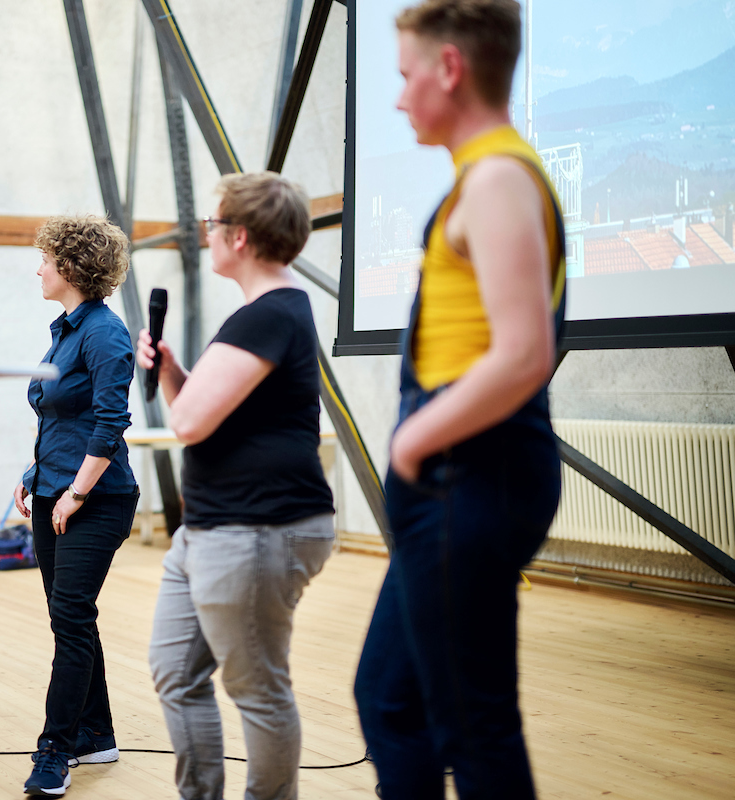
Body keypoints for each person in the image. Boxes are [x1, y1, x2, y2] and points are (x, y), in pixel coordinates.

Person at [352, 2, 567, 798]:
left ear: (449, 68)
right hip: (455, 475)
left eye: (406, 76)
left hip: (470, 473)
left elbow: (524, 354)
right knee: (391, 700)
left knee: (471, 727)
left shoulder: (500, 177)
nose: (400, 97)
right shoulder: (484, 177)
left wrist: (411, 447)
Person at [140, 171, 336, 800]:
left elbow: (191, 423)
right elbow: (212, 413)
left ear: (241, 236)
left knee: (257, 688)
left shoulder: (270, 313)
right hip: (212, 528)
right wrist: (175, 373)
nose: (207, 235)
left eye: (213, 224)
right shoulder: (264, 313)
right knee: (176, 671)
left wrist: (182, 392)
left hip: (258, 529)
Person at [12, 214, 141, 796]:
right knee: (73, 621)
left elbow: (111, 424)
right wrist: (32, 475)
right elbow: (61, 416)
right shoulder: (65, 329)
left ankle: (55, 749)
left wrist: (77, 492)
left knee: (69, 620)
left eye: (45, 258)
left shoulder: (105, 333)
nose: (38, 267)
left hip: (97, 499)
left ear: (69, 266)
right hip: (51, 492)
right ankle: (97, 734)